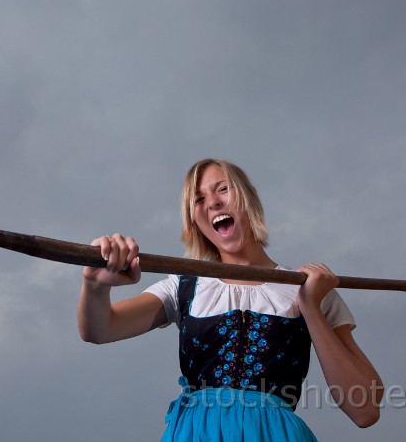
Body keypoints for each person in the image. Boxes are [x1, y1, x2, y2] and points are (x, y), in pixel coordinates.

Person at [77, 158, 383, 441]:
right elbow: (99, 330)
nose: (212, 202)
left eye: (223, 189)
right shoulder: (182, 287)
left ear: (248, 199)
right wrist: (94, 285)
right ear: (194, 219)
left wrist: (312, 308)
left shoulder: (312, 288)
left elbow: (365, 410)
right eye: (198, 200)